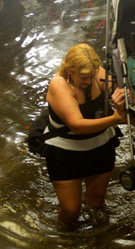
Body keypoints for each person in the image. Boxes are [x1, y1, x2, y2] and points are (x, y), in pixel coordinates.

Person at [44, 43, 127, 226]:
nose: (88, 81)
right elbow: (77, 125)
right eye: (83, 77)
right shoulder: (59, 84)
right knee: (71, 210)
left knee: (97, 201)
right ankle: (66, 240)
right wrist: (115, 118)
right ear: (69, 70)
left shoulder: (97, 73)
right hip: (65, 153)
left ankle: (97, 235)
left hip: (100, 148)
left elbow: (123, 94)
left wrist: (124, 98)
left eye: (91, 75)